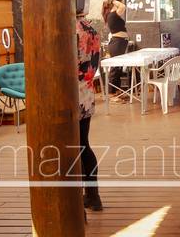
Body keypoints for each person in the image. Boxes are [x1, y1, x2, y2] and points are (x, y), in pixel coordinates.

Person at [77, 11, 103, 211]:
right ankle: (92, 195)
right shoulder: (92, 29)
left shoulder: (70, 31)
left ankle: (86, 197)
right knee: (83, 144)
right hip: (87, 91)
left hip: (71, 94)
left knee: (77, 147)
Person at [102, 0, 129, 97]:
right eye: (118, 4)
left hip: (120, 43)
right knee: (115, 68)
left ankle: (116, 91)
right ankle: (111, 93)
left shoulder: (114, 15)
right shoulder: (112, 15)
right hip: (117, 43)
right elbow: (123, 6)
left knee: (118, 68)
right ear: (114, 4)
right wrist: (113, 0)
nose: (119, 5)